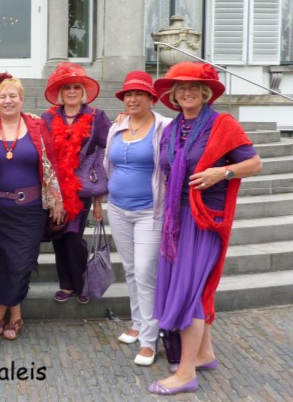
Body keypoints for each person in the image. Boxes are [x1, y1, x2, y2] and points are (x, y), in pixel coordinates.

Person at [147, 62, 262, 395]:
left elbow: (254, 163)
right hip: (176, 219)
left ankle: (186, 373)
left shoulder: (223, 124)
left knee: (189, 293)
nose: (187, 93)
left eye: (194, 87)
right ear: (173, 95)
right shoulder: (172, 128)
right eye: (181, 88)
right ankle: (204, 354)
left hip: (204, 219)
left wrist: (222, 173)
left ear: (205, 92)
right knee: (190, 288)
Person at [0, 72, 65, 341]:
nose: (8, 101)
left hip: (29, 211)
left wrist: (56, 200)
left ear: (21, 99)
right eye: (3, 97)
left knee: (21, 263)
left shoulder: (36, 124)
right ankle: (14, 314)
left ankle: (0, 310)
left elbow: (50, 163)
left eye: (13, 96)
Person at [104, 71, 172, 366]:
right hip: (118, 208)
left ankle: (149, 339)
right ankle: (138, 322)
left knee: (145, 272)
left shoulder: (164, 127)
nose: (132, 99)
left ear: (151, 98)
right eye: (128, 94)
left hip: (150, 211)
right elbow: (109, 163)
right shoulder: (117, 126)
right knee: (131, 269)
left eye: (139, 94)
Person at [41, 62, 110, 305]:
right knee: (59, 236)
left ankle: (81, 284)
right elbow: (43, 154)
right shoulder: (48, 118)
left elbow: (106, 155)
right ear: (60, 92)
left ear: (83, 91)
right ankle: (66, 285)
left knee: (72, 236)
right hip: (54, 188)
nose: (72, 91)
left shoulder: (97, 117)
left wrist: (99, 201)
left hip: (81, 190)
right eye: (67, 87)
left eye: (76, 87)